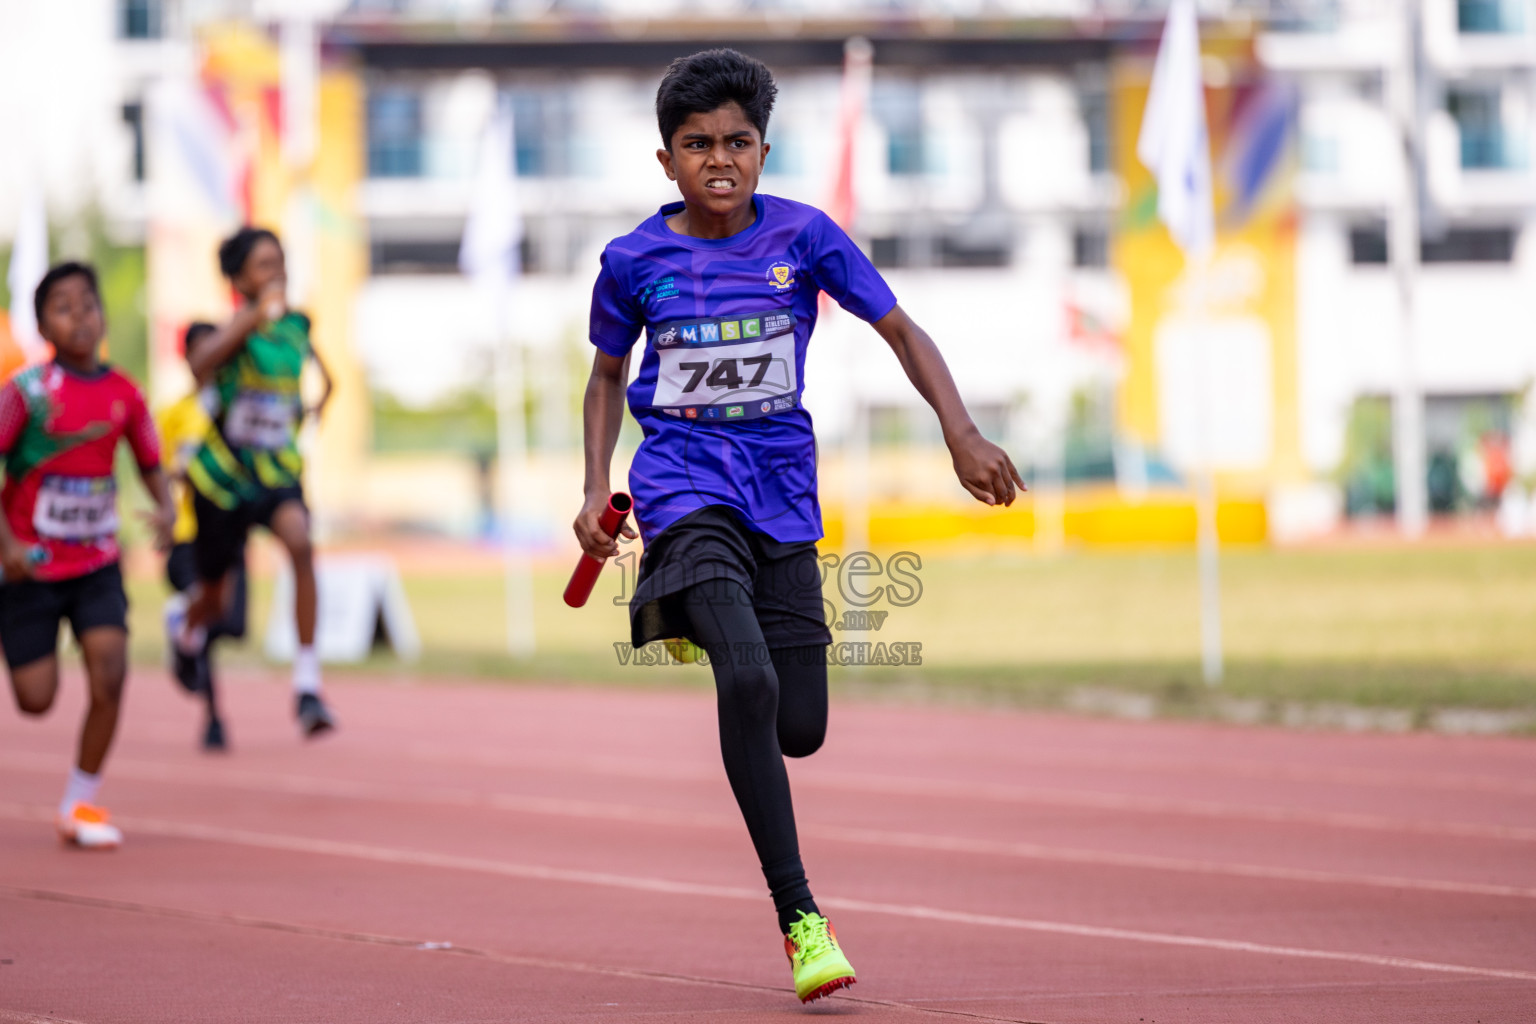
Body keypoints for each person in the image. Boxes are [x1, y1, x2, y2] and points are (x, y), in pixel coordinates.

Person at [573, 49, 1023, 1003]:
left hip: (782, 497)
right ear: (667, 162)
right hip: (683, 490)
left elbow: (900, 328)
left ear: (765, 151)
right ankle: (802, 919)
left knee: (801, 727)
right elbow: (608, 376)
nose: (719, 161)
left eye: (737, 142)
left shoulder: (807, 238)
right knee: (748, 675)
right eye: (698, 145)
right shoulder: (633, 262)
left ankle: (714, 619)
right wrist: (591, 485)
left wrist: (962, 431)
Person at [0, 261, 175, 848]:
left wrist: (167, 508)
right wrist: (7, 545)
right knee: (36, 700)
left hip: (97, 563)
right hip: (29, 567)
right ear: (44, 326)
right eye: (62, 306)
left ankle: (80, 803)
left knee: (111, 669)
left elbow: (151, 462)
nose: (79, 315)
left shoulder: (125, 391)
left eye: (88, 303)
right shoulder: (25, 393)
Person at [172, 227, 336, 738]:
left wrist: (315, 408)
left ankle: (308, 686)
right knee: (217, 601)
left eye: (281, 262)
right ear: (239, 279)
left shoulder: (298, 326)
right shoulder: (225, 330)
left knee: (301, 545)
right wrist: (248, 319)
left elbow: (327, 378)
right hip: (223, 479)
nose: (278, 273)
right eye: (265, 265)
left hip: (278, 472)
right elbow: (200, 367)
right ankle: (185, 623)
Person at [159, 321, 249, 751]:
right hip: (187, 533)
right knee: (210, 626)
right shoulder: (175, 413)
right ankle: (214, 718)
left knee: (232, 625)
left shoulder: (237, 406)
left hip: (230, 526)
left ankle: (183, 627)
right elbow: (154, 469)